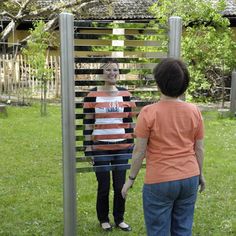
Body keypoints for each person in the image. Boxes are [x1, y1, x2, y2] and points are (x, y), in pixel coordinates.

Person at [121, 58, 206, 236]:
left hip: (160, 181)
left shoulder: (148, 113)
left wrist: (131, 178)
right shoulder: (194, 111)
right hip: (189, 177)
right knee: (183, 230)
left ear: (158, 84)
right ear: (185, 84)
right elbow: (199, 149)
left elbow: (139, 151)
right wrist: (200, 174)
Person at [83, 58, 136, 232]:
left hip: (122, 147)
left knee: (120, 187)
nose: (112, 73)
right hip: (101, 148)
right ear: (101, 73)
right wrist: (88, 147)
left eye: (115, 70)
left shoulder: (125, 94)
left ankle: (119, 218)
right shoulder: (92, 95)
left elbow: (129, 122)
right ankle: (103, 219)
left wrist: (131, 145)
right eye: (108, 70)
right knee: (104, 186)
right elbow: (88, 123)